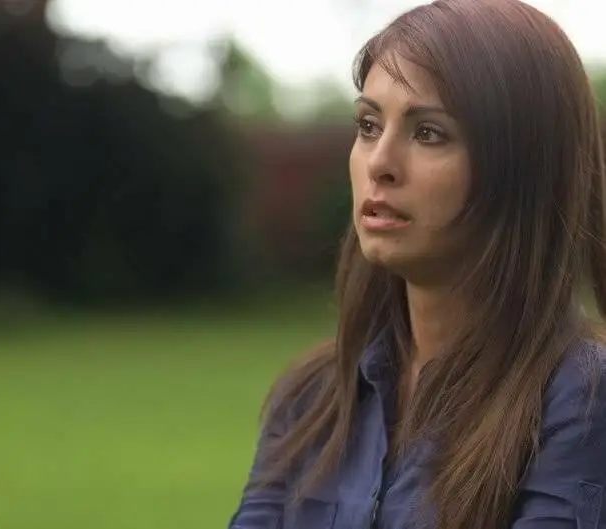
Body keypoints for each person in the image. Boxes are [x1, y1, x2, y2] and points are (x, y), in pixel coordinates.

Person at [228, 0, 606, 527]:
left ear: (521, 168)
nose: (380, 162)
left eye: (428, 133)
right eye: (367, 125)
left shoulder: (579, 399)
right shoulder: (311, 399)